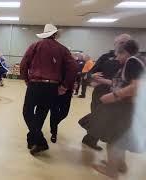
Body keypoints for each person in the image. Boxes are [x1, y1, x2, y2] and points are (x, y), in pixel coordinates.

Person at [86, 40, 145, 179]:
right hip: (128, 107)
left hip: (122, 106)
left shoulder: (132, 62)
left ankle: (112, 170)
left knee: (112, 139)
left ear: (125, 52)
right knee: (119, 136)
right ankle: (120, 164)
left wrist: (113, 95)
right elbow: (120, 82)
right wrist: (101, 81)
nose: (117, 58)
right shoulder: (138, 61)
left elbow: (136, 87)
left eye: (118, 54)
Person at [20, 23, 77, 155]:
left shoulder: (35, 46)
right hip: (52, 87)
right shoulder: (63, 49)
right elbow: (73, 67)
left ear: (44, 35)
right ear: (55, 35)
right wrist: (64, 86)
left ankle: (39, 141)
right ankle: (33, 140)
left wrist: (27, 79)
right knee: (41, 113)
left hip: (35, 83)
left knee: (27, 112)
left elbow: (24, 64)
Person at [79, 34, 131, 151]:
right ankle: (90, 140)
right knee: (99, 120)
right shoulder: (106, 57)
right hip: (101, 95)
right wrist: (91, 76)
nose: (122, 45)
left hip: (120, 98)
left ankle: (93, 141)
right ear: (115, 44)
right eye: (120, 42)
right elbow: (89, 74)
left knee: (113, 125)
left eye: (125, 43)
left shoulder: (132, 61)